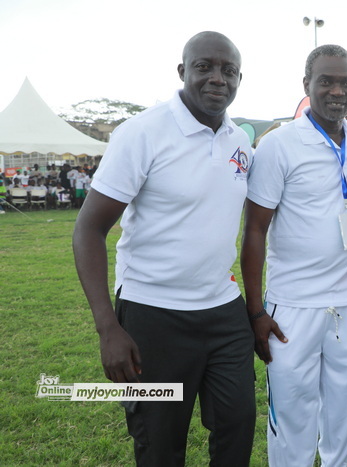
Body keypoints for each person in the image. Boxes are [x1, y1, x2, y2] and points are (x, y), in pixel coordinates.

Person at [72, 31, 255, 466]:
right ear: (182, 71)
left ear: (239, 78)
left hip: (223, 312)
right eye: (204, 66)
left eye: (228, 71)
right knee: (160, 445)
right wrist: (108, 328)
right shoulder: (142, 133)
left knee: (238, 424)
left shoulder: (239, 141)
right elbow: (88, 230)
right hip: (152, 315)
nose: (217, 78)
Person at [241, 44, 347, 466]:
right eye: (327, 81)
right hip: (292, 307)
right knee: (292, 415)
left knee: (344, 414)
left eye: (346, 82)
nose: (337, 91)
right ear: (307, 85)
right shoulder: (279, 145)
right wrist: (255, 312)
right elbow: (254, 230)